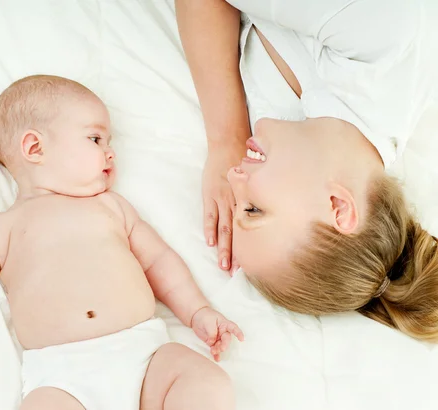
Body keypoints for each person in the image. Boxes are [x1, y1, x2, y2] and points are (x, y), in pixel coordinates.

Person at [0, 75, 243, 410]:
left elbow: (160, 263)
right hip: (62, 378)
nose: (110, 152)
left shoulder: (112, 207)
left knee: (205, 381)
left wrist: (198, 312)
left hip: (144, 353)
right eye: (95, 139)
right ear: (35, 147)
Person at [176, 0, 438, 341]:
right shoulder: (382, 39)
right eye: (254, 209)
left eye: (238, 207)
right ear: (337, 206)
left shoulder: (296, 135)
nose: (232, 178)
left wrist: (227, 140)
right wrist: (226, 135)